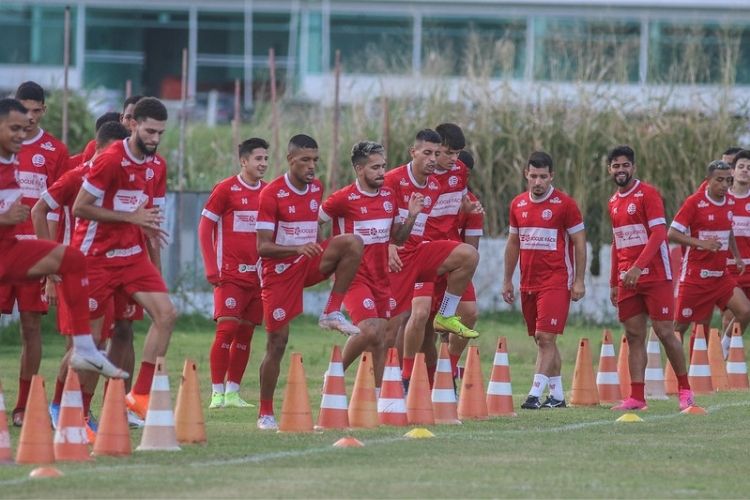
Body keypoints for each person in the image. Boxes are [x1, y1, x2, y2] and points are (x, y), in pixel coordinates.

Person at [0, 100, 127, 395]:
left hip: (12, 249)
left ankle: (83, 346)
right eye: (15, 128)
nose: (23, 133)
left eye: (25, 128)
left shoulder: (18, 158)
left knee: (72, 260)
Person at [71, 97, 177, 419]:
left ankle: (139, 395)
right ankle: (80, 414)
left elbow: (148, 213)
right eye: (149, 131)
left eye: (160, 133)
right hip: (95, 258)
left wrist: (151, 236)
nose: (155, 139)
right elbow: (80, 207)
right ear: (132, 124)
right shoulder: (111, 159)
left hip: (131, 257)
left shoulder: (157, 165)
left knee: (167, 314)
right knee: (91, 346)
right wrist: (130, 218)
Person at [254, 134, 364, 430]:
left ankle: (331, 311)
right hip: (279, 272)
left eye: (315, 159)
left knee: (352, 243)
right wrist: (296, 248)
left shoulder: (316, 188)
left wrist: (314, 246)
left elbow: (311, 226)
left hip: (308, 262)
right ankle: (265, 413)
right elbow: (262, 247)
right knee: (277, 343)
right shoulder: (271, 194)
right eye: (305, 160)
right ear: (291, 161)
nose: (312, 166)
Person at [32, 121, 131, 431]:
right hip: (80, 272)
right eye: (117, 151)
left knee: (97, 346)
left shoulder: (122, 181)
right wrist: (50, 265)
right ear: (101, 148)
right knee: (82, 347)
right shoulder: (78, 176)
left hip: (110, 271)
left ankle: (82, 413)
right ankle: (60, 406)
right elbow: (39, 210)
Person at [318, 141, 422, 392]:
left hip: (381, 278)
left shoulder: (388, 195)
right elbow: (315, 222)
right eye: (375, 167)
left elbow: (397, 238)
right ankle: (333, 374)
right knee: (369, 330)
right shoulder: (343, 199)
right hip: (354, 278)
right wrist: (325, 257)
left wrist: (411, 217)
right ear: (359, 169)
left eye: (383, 166)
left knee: (382, 340)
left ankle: (378, 397)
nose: (381, 172)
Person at [384, 129, 480, 392]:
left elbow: (460, 202)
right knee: (419, 315)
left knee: (470, 313)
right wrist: (391, 244)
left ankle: (447, 370)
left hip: (446, 252)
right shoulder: (405, 178)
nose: (452, 159)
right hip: (419, 250)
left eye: (456, 154)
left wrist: (467, 208)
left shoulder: (459, 171)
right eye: (446, 153)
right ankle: (405, 377)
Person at [0, 82, 71, 426]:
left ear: (43, 110)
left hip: (33, 254)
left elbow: (58, 210)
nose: (28, 118)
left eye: (34, 110)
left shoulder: (55, 151)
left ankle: (22, 406)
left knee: (31, 328)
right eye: (22, 110)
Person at [606, 145, 694, 411]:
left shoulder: (648, 194)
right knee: (633, 335)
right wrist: (613, 280)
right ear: (610, 169)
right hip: (627, 280)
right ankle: (637, 398)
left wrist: (638, 267)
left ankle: (685, 390)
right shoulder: (613, 202)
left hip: (655, 277)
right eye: (615, 166)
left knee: (666, 332)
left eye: (625, 165)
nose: (621, 170)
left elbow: (659, 234)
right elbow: (616, 243)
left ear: (633, 167)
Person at [502, 151, 586, 409]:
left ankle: (533, 395)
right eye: (533, 176)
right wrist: (507, 279)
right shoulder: (517, 204)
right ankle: (558, 396)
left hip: (556, 279)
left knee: (545, 337)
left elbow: (579, 243)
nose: (538, 182)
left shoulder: (565, 204)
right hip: (528, 282)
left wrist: (579, 280)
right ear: (526, 175)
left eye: (543, 177)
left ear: (552, 177)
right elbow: (513, 242)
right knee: (542, 340)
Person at [199, 138, 268, 409]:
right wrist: (210, 266)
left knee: (245, 334)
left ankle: (233, 392)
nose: (263, 164)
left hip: (259, 277)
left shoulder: (268, 192)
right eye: (257, 159)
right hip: (229, 274)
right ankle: (216, 393)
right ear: (244, 161)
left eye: (265, 159)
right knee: (226, 329)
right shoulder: (225, 190)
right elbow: (205, 228)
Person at [668, 160, 750, 350]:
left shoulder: (730, 201)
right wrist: (702, 244)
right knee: (680, 327)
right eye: (719, 180)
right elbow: (672, 233)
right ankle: (668, 371)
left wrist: (736, 256)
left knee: (745, 311)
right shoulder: (694, 202)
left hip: (720, 276)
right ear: (708, 180)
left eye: (728, 180)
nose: (724, 185)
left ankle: (722, 351)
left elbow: (728, 229)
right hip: (695, 277)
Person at [722, 149, 750, 356]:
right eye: (741, 167)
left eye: (749, 168)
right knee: (733, 313)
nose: (745, 171)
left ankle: (730, 357)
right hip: (727, 269)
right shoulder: (722, 199)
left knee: (744, 315)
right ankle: (723, 354)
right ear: (732, 171)